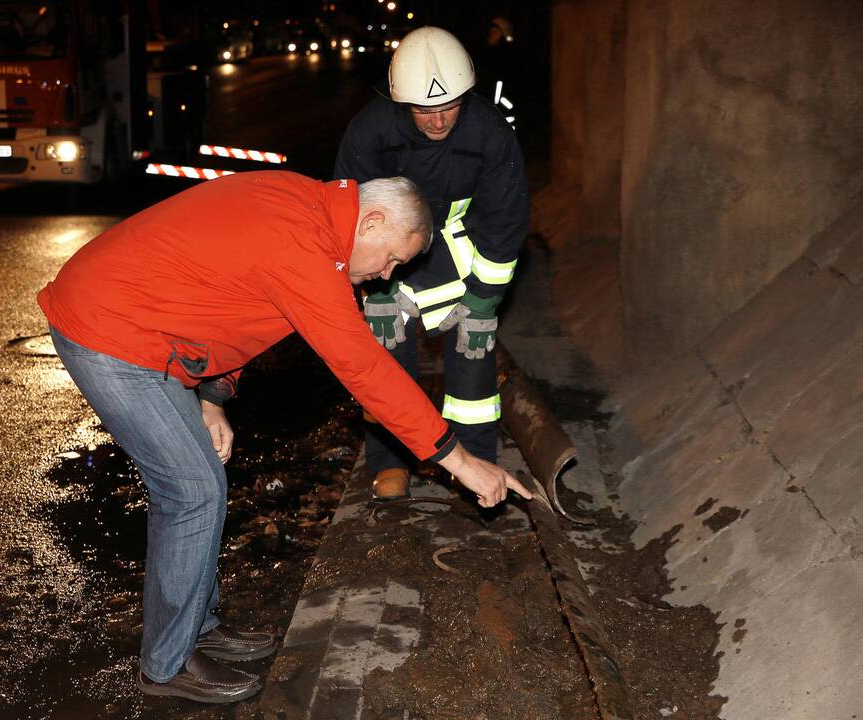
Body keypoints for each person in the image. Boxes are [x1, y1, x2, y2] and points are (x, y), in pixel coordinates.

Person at [37, 170, 531, 704]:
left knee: (198, 485)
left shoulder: (307, 207)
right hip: (111, 330)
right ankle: (166, 665)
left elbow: (233, 299)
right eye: (390, 259)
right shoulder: (305, 244)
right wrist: (461, 462)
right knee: (192, 493)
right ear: (372, 220)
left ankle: (197, 628)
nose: (387, 275)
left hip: (142, 321)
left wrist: (213, 397)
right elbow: (365, 370)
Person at [334, 26, 530, 501]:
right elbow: (348, 212)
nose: (439, 121)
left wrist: (484, 300)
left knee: (473, 356)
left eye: (449, 107)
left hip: (461, 247)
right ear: (402, 102)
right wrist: (375, 293)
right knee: (386, 353)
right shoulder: (371, 132)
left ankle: (474, 462)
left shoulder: (489, 132)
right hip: (393, 254)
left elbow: (505, 217)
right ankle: (390, 462)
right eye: (425, 110)